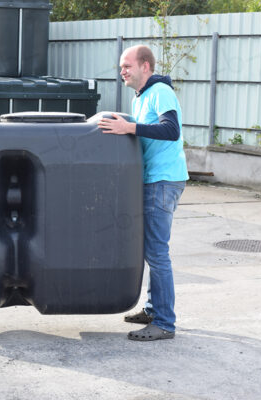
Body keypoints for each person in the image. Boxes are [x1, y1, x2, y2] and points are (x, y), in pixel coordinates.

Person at [98, 45, 189, 342]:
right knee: (151, 250)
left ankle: (164, 322)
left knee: (157, 253)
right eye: (121, 66)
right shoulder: (142, 96)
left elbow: (171, 129)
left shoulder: (160, 91)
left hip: (163, 181)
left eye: (127, 65)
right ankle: (153, 309)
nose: (122, 70)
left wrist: (129, 127)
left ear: (145, 67)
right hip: (153, 179)